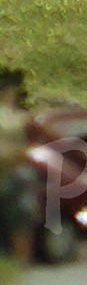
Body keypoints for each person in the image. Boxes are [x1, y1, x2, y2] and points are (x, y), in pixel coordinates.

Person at [0, 82, 36, 265]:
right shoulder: (12, 119)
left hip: (16, 174)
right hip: (13, 174)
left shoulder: (17, 118)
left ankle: (20, 261)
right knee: (19, 220)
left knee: (20, 220)